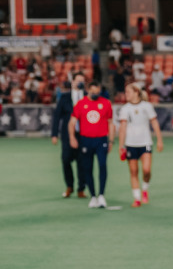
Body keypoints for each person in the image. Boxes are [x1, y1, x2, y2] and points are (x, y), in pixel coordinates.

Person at [69, 80, 115, 209]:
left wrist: (111, 140)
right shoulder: (81, 104)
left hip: (101, 140)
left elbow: (111, 123)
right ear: (88, 90)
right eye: (92, 91)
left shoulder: (105, 103)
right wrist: (72, 137)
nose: (95, 94)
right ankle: (93, 196)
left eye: (97, 92)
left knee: (102, 165)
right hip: (86, 140)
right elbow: (72, 122)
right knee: (87, 168)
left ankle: (101, 195)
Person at [118, 83, 163, 207]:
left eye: (128, 92)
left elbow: (154, 123)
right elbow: (122, 128)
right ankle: (137, 198)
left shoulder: (146, 106)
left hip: (145, 142)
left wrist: (159, 140)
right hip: (130, 144)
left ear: (136, 92)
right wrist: (121, 146)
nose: (126, 94)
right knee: (133, 171)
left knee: (146, 170)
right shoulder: (125, 108)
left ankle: (145, 189)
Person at [51, 72, 87, 199]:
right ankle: (69, 186)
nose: (80, 83)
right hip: (67, 135)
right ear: (73, 82)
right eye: (78, 80)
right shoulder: (65, 97)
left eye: (82, 81)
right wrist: (54, 134)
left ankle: (81, 188)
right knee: (66, 159)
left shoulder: (88, 97)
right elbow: (57, 116)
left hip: (84, 135)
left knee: (82, 162)